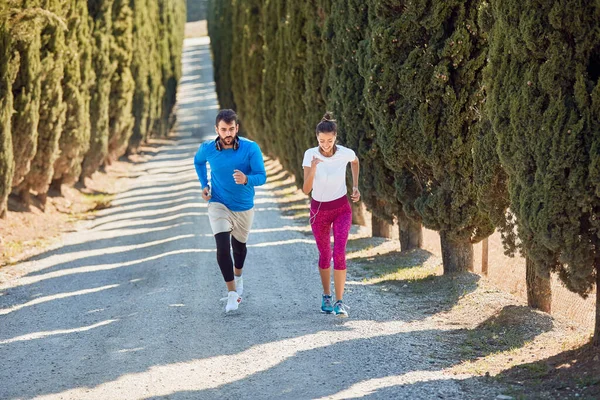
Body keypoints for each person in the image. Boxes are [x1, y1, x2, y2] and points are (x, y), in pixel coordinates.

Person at [194, 109, 267, 313]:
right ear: (216, 129)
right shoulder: (208, 148)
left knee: (239, 248)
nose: (228, 133)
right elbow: (198, 161)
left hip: (243, 206)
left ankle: (239, 276)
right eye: (223, 129)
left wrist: (247, 179)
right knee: (223, 247)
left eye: (231, 129)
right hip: (218, 203)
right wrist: (204, 184)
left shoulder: (250, 148)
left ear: (237, 128)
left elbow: (262, 176)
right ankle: (232, 294)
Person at [302, 112, 360, 318]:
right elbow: (305, 190)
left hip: (341, 208)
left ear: (335, 137)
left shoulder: (344, 153)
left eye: (329, 140)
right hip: (319, 212)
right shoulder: (310, 155)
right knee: (325, 255)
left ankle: (340, 302)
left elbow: (355, 161)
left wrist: (355, 186)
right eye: (321, 141)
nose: (325, 145)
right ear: (316, 138)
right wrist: (313, 169)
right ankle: (326, 296)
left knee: (340, 253)